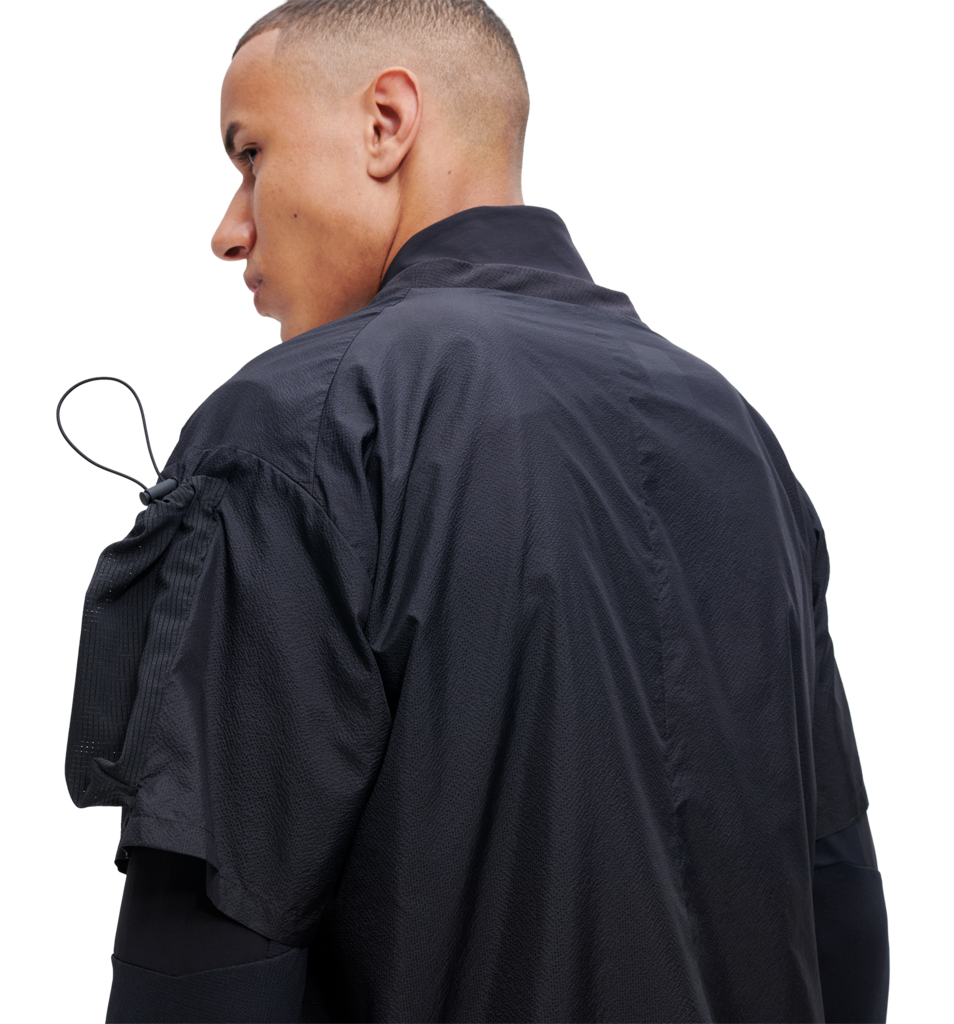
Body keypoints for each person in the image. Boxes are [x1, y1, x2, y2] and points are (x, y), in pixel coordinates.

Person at [90, 2, 890, 1021]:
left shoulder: (299, 423)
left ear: (386, 124)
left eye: (250, 157)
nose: (227, 229)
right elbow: (837, 906)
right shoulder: (733, 430)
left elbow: (208, 956)